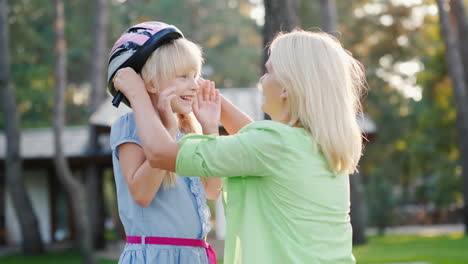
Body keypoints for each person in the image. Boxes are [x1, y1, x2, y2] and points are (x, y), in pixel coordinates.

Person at [113, 30, 366, 264]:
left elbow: (159, 153)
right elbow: (252, 139)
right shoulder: (316, 143)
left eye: (268, 72)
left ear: (288, 87)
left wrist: (138, 94)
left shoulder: (273, 144)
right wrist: (202, 93)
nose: (261, 80)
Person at [108, 21, 221, 264]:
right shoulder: (130, 126)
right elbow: (142, 194)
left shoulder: (187, 130)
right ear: (150, 84)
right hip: (155, 255)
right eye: (182, 77)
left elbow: (212, 190)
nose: (194, 85)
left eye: (195, 76)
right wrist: (167, 131)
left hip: (195, 255)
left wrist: (210, 127)